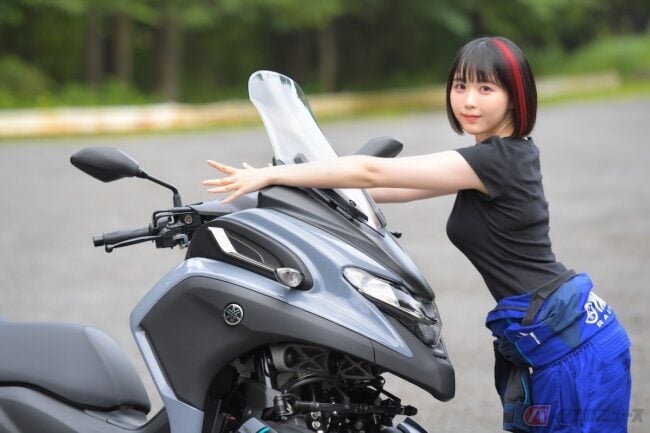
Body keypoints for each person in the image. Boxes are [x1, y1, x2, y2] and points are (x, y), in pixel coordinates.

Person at [203, 36, 631, 433]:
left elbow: (372, 172)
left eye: (486, 88)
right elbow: (382, 190)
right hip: (559, 333)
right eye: (460, 86)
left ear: (515, 96)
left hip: (571, 344)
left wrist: (271, 175)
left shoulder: (499, 160)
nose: (469, 100)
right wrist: (287, 188)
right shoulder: (492, 159)